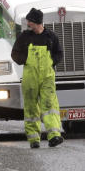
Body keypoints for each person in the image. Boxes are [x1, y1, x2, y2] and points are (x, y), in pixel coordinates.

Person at [11, 8, 64, 148]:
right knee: (31, 107)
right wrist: (26, 59)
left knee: (49, 104)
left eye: (30, 21)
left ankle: (54, 136)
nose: (28, 24)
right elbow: (15, 54)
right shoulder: (24, 37)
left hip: (47, 76)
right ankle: (34, 139)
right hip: (30, 77)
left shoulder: (51, 37)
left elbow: (59, 54)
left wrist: (52, 62)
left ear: (36, 22)